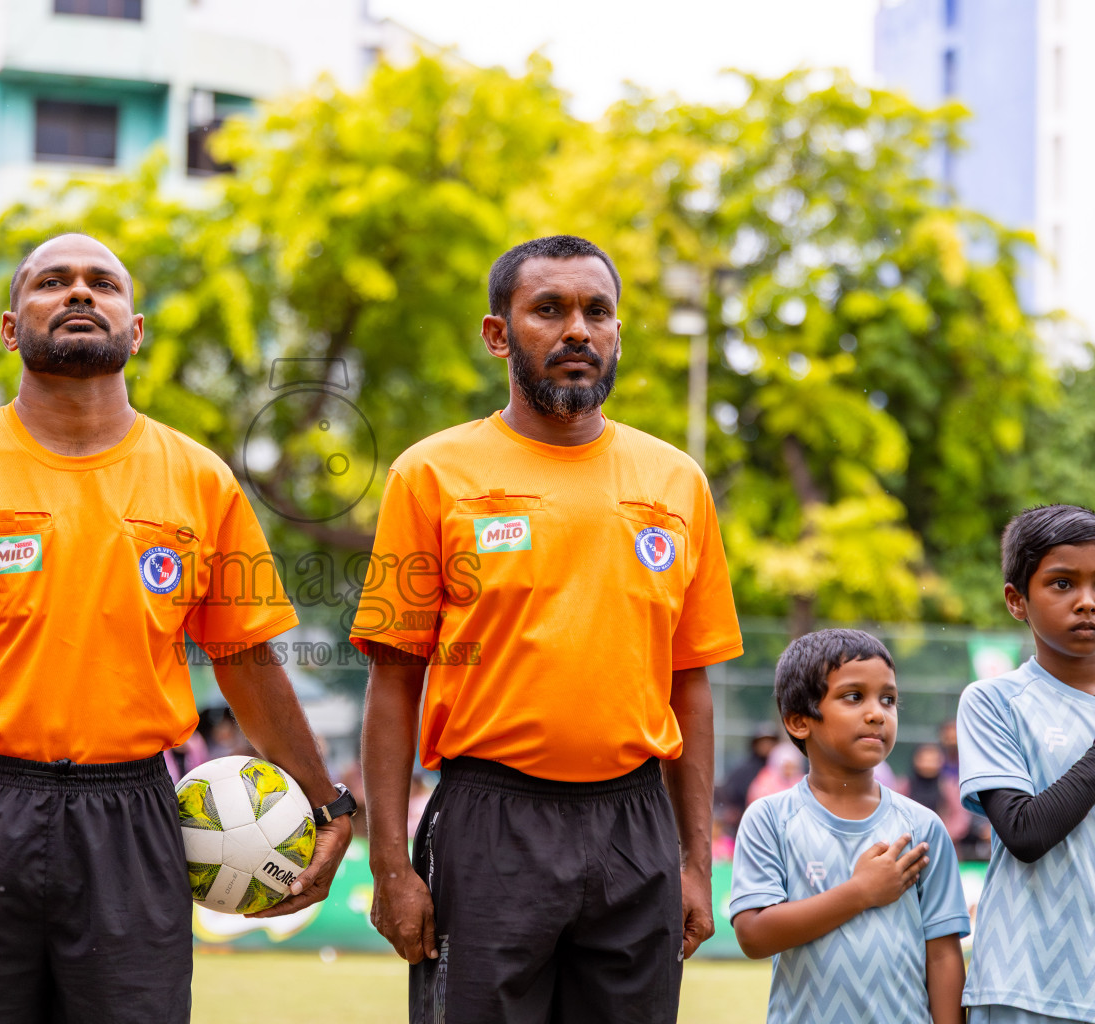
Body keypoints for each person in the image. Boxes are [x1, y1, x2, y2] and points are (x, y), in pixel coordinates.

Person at [0, 233, 354, 1024]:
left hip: (130, 815)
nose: (80, 293)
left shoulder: (201, 479)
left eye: (103, 283)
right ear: (10, 328)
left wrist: (328, 804)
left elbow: (248, 664)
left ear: (137, 329)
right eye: (52, 281)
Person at [354, 235, 743, 1023]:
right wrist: (389, 866)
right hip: (489, 819)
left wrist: (696, 863)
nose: (577, 330)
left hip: (635, 821)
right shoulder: (429, 474)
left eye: (597, 312)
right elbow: (393, 682)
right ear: (498, 334)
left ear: (619, 334)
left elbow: (690, 685)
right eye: (549, 309)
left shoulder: (676, 481)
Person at [730, 629, 969, 1024]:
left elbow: (943, 955)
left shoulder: (922, 827)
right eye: (854, 697)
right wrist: (860, 892)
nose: (877, 713)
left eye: (888, 699)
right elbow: (754, 936)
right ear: (799, 721)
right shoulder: (770, 819)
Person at [957, 504, 1095, 1022]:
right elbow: (1025, 832)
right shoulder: (994, 701)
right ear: (1017, 600)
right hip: (1024, 987)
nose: (1087, 601)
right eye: (1063, 583)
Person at [718, 724, 780, 829]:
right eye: (763, 742)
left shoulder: (782, 769)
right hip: (745, 822)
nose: (766, 746)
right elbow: (730, 794)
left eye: (770, 742)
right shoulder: (743, 770)